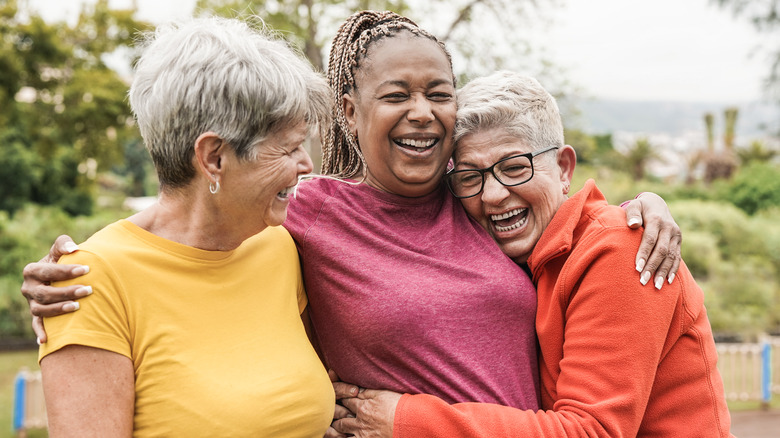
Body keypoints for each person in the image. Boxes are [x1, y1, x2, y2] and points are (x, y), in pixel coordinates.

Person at [23, 10, 682, 431]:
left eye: (439, 94)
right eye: (396, 95)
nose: (422, 111)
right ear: (348, 110)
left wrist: (638, 209)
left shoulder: (474, 197)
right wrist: (81, 266)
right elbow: (193, 214)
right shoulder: (306, 217)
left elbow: (553, 209)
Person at [331, 71, 732, 437]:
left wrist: (404, 420)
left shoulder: (619, 251)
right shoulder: (520, 256)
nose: (493, 195)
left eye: (514, 167)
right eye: (470, 176)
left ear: (564, 168)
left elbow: (589, 431)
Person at [34, 16, 335, 437]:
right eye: (289, 148)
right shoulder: (89, 283)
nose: (306, 165)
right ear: (213, 157)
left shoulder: (277, 244)